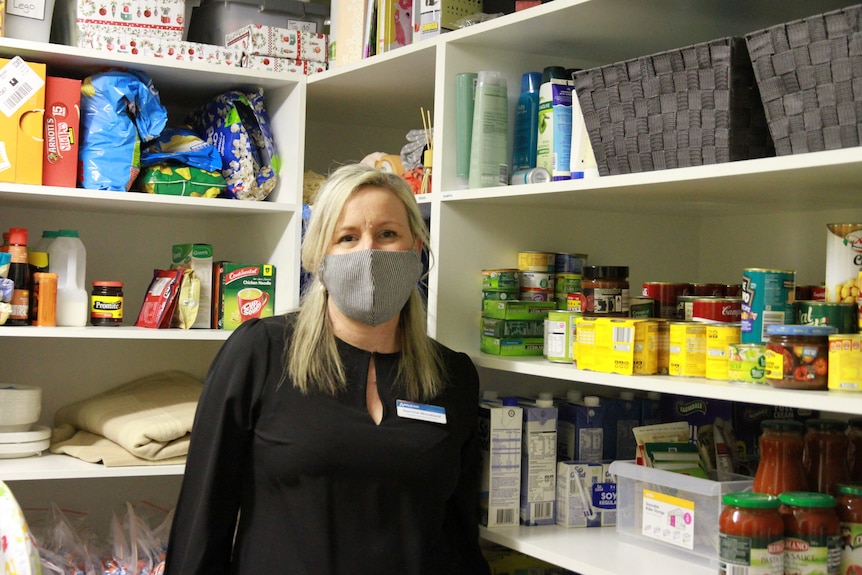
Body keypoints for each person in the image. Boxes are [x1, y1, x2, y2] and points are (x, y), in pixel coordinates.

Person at [164, 163, 491, 575]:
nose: (368, 251)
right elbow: (203, 520)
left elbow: (458, 538)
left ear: (417, 249)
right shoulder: (261, 353)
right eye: (347, 237)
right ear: (319, 257)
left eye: (388, 234)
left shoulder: (452, 376)